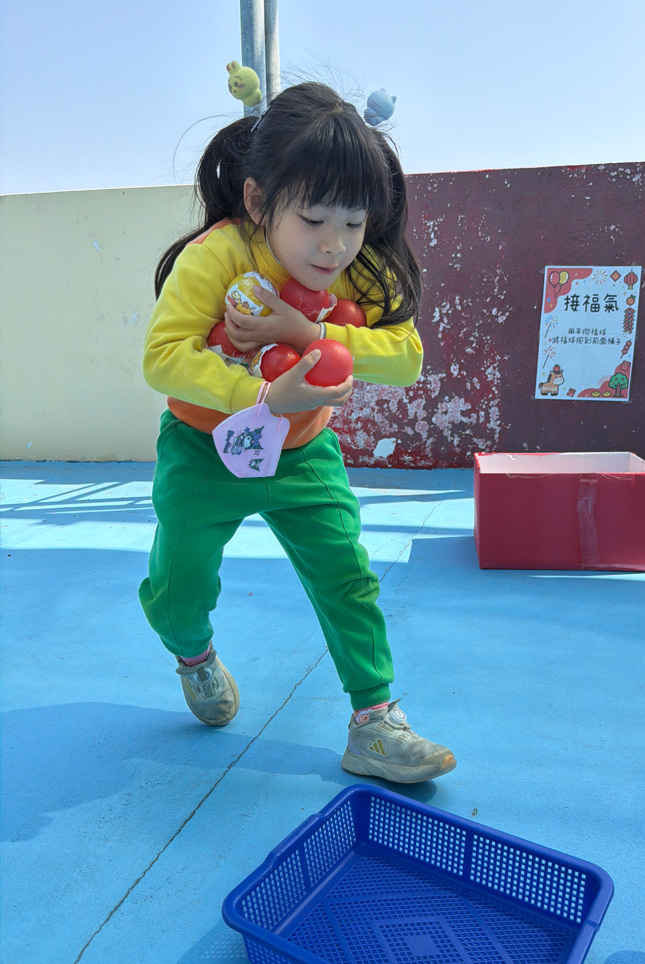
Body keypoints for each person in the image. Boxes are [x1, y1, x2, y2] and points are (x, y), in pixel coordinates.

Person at [139, 82, 456, 785]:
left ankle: (375, 720)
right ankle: (193, 654)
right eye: (313, 219)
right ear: (258, 201)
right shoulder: (220, 255)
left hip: (302, 451)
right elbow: (162, 357)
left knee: (347, 576)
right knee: (178, 587)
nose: (334, 244)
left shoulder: (356, 265)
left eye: (354, 221)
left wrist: (308, 332)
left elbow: (405, 357)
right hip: (202, 451)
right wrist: (257, 393)